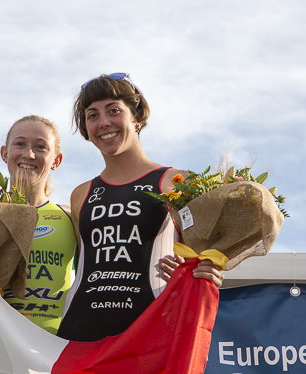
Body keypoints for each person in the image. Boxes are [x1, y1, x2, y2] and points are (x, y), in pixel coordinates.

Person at [57, 73, 223, 342]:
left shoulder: (177, 181)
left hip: (152, 334)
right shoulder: (81, 194)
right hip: (80, 333)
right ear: (86, 129)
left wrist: (208, 267)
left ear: (138, 117)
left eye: (114, 110)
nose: (104, 122)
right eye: (92, 115)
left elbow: (213, 249)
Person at [0, 115, 76, 334]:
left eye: (40, 147)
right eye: (20, 144)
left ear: (56, 161)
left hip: (54, 346)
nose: (29, 154)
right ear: (5, 153)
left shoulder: (71, 216)